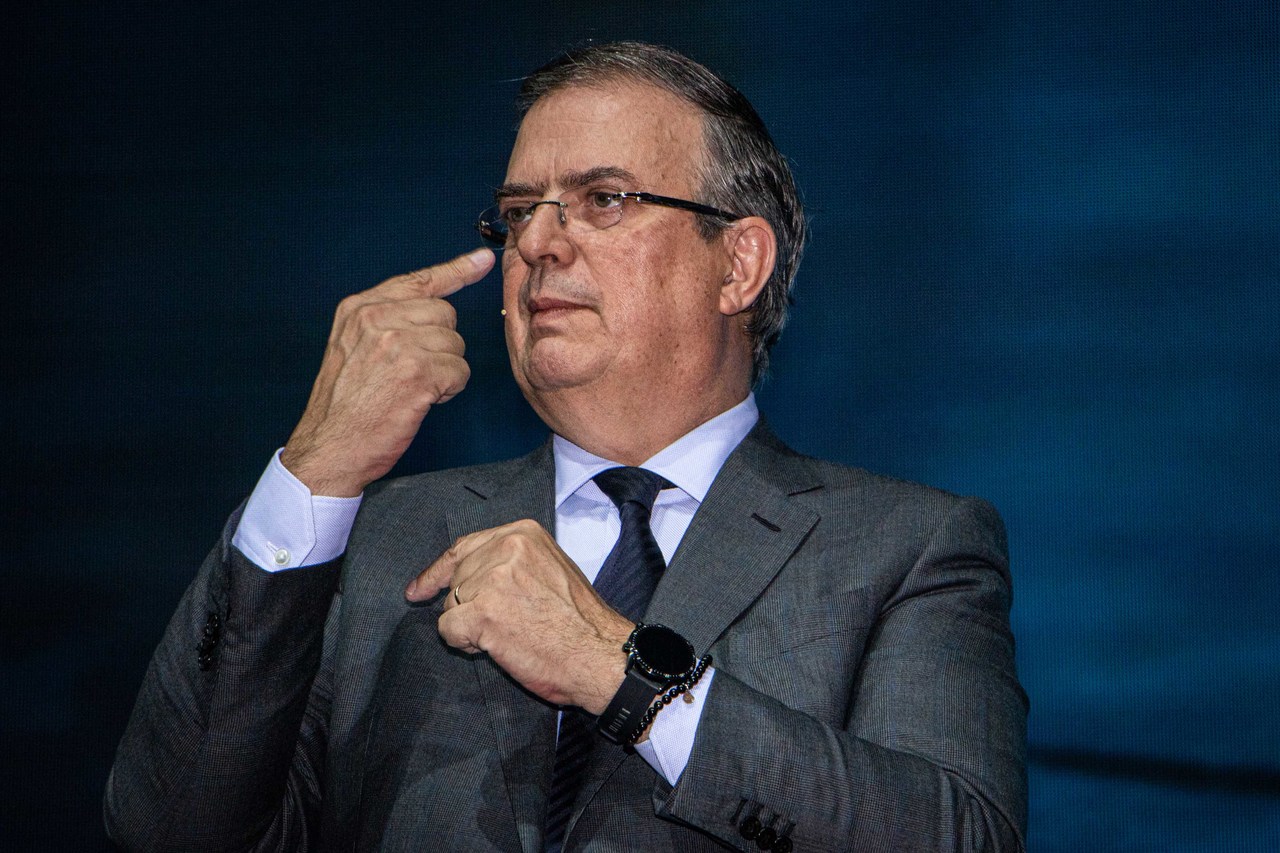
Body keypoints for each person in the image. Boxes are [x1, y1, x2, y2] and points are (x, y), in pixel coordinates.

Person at [105, 42, 1027, 851]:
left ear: (738, 264)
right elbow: (169, 825)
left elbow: (958, 835)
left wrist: (615, 669)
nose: (539, 242)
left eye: (603, 199)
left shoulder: (905, 546)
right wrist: (316, 467)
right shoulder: (378, 540)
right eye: (519, 211)